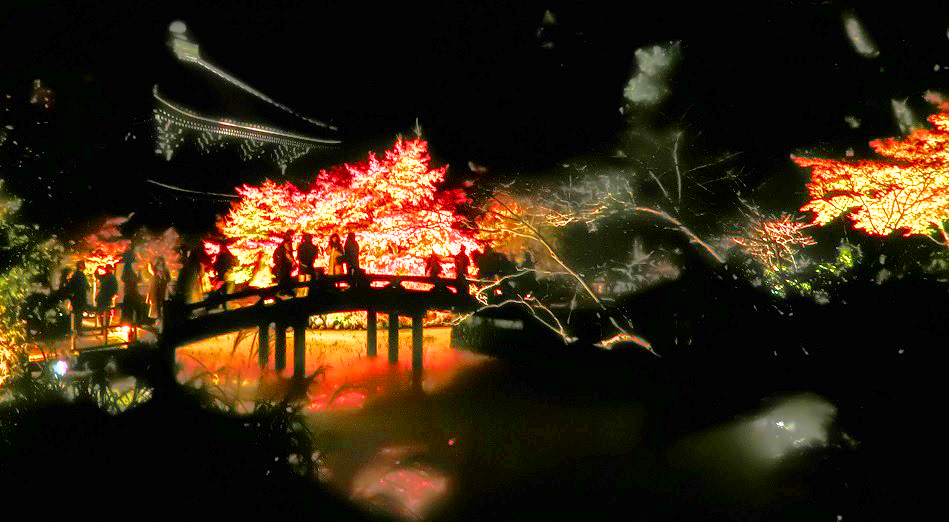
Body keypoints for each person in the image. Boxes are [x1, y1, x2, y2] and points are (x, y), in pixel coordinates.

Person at [67, 260, 89, 333]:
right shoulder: (78, 274)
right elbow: (80, 285)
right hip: (79, 298)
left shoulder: (77, 274)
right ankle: (78, 329)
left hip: (78, 297)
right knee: (78, 315)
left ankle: (77, 329)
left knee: (78, 314)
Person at [147, 256, 171, 321]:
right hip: (156, 288)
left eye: (161, 261)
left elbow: (168, 279)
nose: (160, 263)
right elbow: (152, 270)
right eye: (159, 261)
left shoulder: (165, 270)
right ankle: (158, 316)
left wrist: (164, 279)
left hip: (163, 288)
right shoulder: (154, 269)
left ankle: (161, 316)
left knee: (162, 302)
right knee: (156, 303)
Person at [272, 230, 296, 296]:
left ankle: (283, 290)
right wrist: (293, 261)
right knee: (286, 276)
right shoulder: (287, 243)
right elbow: (287, 253)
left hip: (283, 263)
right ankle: (286, 290)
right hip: (286, 263)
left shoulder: (283, 243)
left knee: (284, 276)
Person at [95, 264, 118, 328]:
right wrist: (113, 295)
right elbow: (115, 288)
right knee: (107, 313)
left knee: (101, 313)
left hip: (102, 297)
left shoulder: (105, 277)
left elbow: (96, 275)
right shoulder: (111, 277)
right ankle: (106, 327)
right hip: (107, 298)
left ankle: (103, 327)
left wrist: (97, 268)